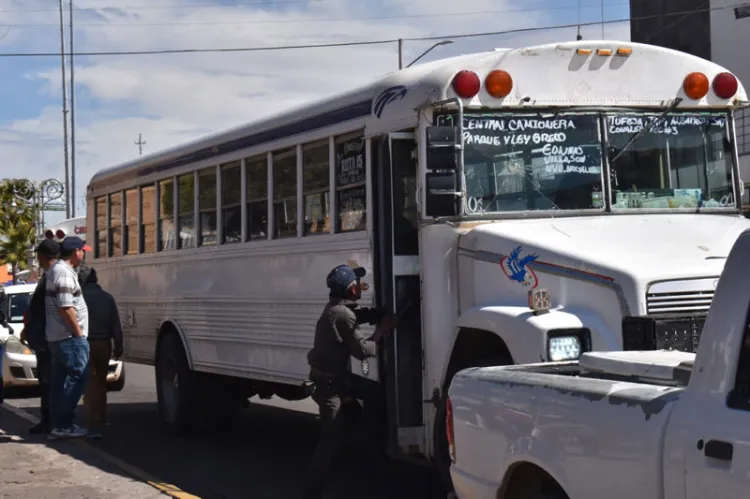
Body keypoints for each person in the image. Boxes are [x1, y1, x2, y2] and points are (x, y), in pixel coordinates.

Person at [304, 264, 396, 499]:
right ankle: (311, 492)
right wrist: (382, 330)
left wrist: (374, 314)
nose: (360, 286)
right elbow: (363, 351)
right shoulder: (341, 315)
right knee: (331, 438)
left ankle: (371, 449)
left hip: (336, 378)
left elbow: (355, 316)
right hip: (329, 386)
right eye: (356, 282)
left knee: (373, 393)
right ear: (349, 288)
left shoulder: (337, 309)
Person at [45, 236, 91, 440]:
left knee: (60, 381)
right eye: (82, 250)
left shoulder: (57, 271)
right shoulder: (63, 274)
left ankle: (57, 424)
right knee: (77, 377)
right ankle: (64, 424)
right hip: (68, 337)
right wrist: (79, 335)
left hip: (58, 337)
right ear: (75, 252)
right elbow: (66, 308)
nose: (84, 254)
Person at [20, 238, 61, 434]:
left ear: (44, 256)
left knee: (49, 382)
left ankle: (52, 421)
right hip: (42, 337)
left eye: (39, 255)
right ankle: (48, 420)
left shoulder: (53, 277)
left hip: (47, 338)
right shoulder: (48, 277)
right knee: (46, 382)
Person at [79, 267, 123, 439]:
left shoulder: (79, 298)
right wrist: (119, 345)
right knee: (101, 381)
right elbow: (116, 325)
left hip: (85, 343)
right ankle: (101, 417)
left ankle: (91, 419)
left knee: (89, 382)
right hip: (104, 344)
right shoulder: (107, 298)